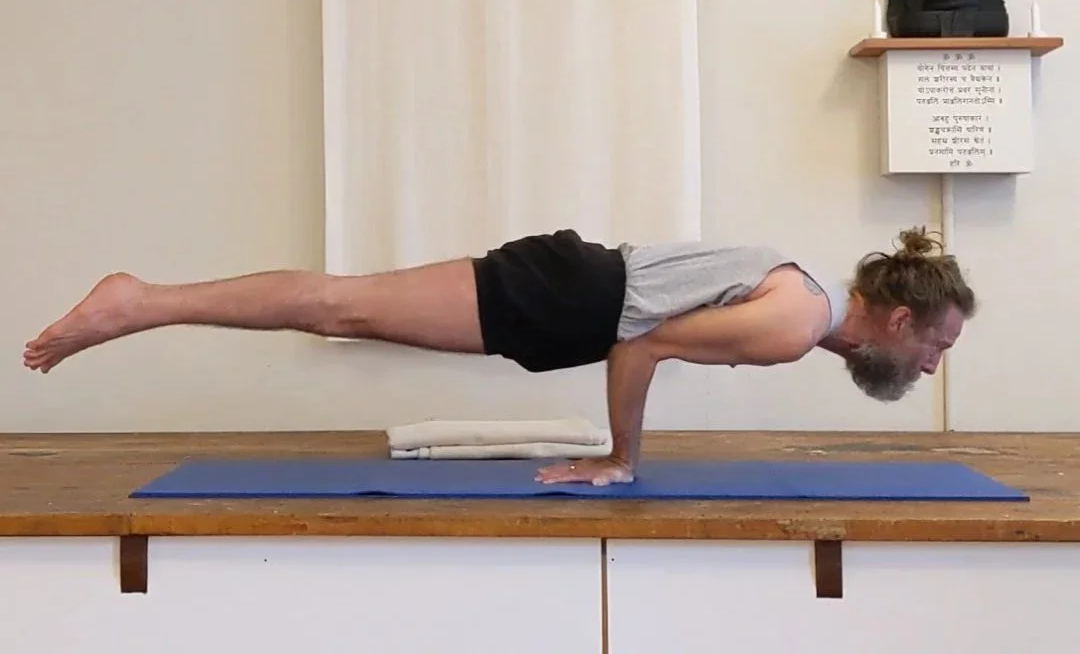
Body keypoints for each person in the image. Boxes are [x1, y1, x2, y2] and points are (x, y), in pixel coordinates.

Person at [23, 225, 975, 486]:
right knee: (339, 305)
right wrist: (622, 458)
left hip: (571, 297)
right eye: (937, 345)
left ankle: (145, 304)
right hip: (567, 295)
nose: (934, 366)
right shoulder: (796, 321)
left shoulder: (805, 304)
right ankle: (139, 303)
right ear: (901, 320)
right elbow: (641, 342)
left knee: (341, 310)